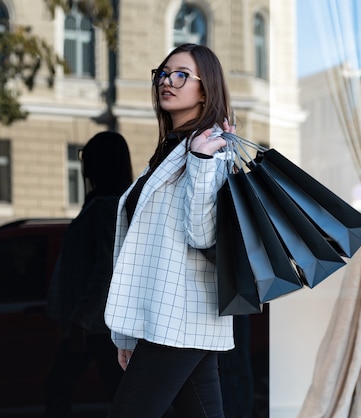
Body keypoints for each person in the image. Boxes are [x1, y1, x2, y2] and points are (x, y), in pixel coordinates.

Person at [103, 43, 236, 418]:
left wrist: (202, 161)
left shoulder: (209, 149)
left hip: (177, 319)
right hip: (173, 319)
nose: (167, 82)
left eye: (181, 75)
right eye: (163, 74)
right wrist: (129, 333)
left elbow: (203, 234)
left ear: (205, 89)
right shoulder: (171, 151)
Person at [45, 131, 134, 418]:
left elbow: (105, 271)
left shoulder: (107, 206)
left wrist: (80, 320)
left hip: (98, 325)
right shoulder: (102, 203)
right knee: (120, 396)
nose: (82, 164)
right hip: (95, 324)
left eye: (87, 156)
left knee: (60, 389)